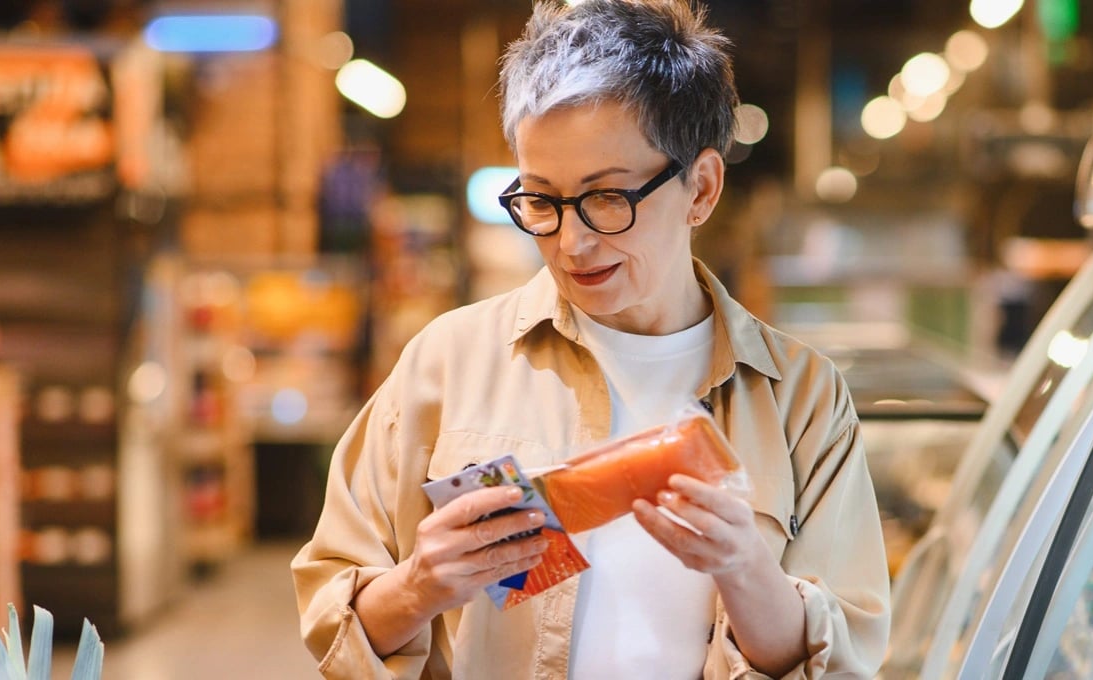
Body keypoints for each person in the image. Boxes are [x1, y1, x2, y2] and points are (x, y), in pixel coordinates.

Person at [292, 1, 891, 678]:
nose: (571, 242)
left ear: (700, 187)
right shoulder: (448, 361)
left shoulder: (800, 398)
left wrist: (745, 569)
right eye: (541, 200)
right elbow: (332, 618)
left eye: (607, 198)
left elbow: (841, 660)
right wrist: (421, 583)